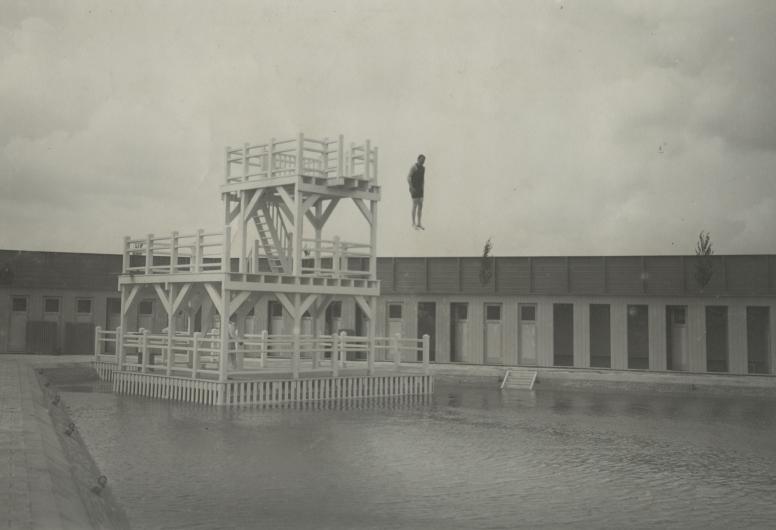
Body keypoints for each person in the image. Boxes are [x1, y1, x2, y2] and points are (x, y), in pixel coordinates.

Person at [407, 154, 426, 229]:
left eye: (424, 160)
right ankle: (413, 223)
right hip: (414, 188)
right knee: (414, 205)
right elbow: (408, 177)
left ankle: (419, 223)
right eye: (421, 160)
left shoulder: (423, 168)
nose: (422, 161)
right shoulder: (414, 167)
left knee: (420, 205)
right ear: (418, 159)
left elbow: (423, 179)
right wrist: (411, 187)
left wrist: (423, 188)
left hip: (420, 188)